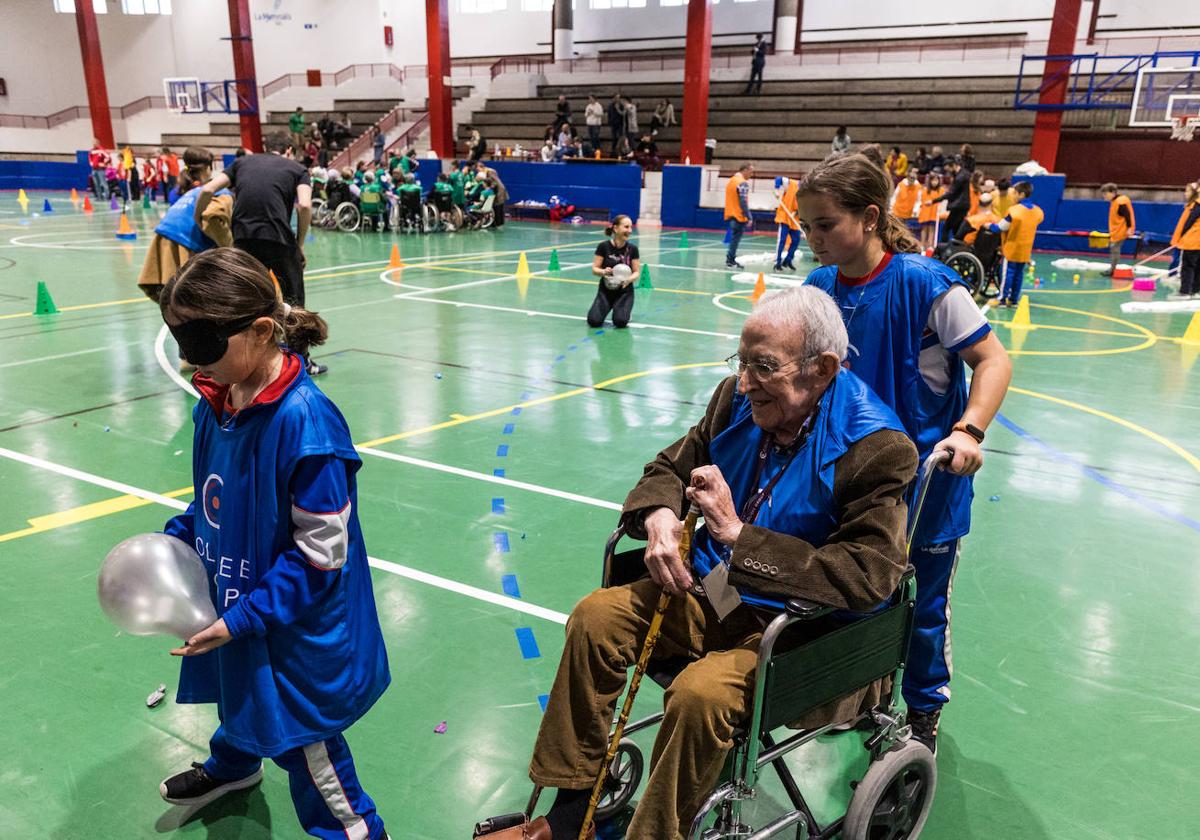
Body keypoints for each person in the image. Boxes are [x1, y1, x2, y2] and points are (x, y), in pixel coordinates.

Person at [514, 286, 919, 839]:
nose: (746, 381)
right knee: (596, 619)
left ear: (822, 369)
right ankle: (571, 805)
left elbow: (867, 575)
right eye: (742, 361)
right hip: (716, 595)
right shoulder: (735, 401)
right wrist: (658, 514)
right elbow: (669, 467)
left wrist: (737, 535)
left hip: (798, 637)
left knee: (700, 694)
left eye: (764, 366)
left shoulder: (876, 448)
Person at [155, 248, 391, 840]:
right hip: (240, 602)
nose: (189, 358)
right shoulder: (217, 400)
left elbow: (320, 556)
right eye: (178, 337)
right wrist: (176, 542)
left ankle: (356, 829)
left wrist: (242, 620)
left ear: (262, 332)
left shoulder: (306, 426)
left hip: (293, 628)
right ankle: (232, 767)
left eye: (203, 341)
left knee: (303, 743)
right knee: (237, 695)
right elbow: (213, 499)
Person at [798, 153, 1012, 756]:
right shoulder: (817, 289)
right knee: (851, 591)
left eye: (824, 225)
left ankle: (922, 713)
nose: (812, 239)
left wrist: (969, 432)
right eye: (806, 226)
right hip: (847, 481)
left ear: (869, 218)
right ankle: (859, 693)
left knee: (921, 606)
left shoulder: (926, 283)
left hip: (925, 485)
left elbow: (993, 361)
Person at [194, 135, 321, 374]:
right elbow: (304, 205)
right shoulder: (297, 168)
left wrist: (197, 217)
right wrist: (299, 244)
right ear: (289, 151)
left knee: (245, 301)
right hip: (280, 240)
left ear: (265, 149)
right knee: (294, 304)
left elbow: (208, 189)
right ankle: (301, 363)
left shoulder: (242, 163)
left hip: (243, 240)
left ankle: (241, 360)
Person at [137, 147, 232, 305]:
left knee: (176, 301)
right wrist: (229, 247)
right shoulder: (220, 193)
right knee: (196, 302)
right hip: (184, 242)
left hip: (162, 238)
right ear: (209, 168)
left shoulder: (181, 191)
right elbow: (212, 217)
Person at [988, 180, 1043, 307]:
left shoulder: (1014, 211)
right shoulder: (1038, 212)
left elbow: (1000, 227)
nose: (1013, 196)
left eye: (1015, 193)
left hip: (1012, 248)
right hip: (1025, 249)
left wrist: (990, 226)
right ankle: (1014, 300)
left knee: (1007, 273)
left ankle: (1001, 299)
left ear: (1022, 194)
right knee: (1019, 274)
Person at [586, 214, 640, 329]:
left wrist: (629, 280)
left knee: (620, 322)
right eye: (626, 227)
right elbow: (594, 269)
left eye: (631, 227)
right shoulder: (603, 247)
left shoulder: (633, 249)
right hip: (606, 290)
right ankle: (608, 306)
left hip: (624, 292)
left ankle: (624, 312)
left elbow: (636, 272)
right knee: (593, 321)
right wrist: (603, 271)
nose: (630, 230)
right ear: (615, 228)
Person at [1169, 180, 1200, 300]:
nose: (1185, 194)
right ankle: (1195, 291)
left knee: (1188, 266)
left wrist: (1180, 235)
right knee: (1197, 266)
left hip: (1192, 240)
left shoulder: (1197, 204)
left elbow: (1189, 221)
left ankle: (1185, 292)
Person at [1100, 182, 1136, 276]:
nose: (1104, 196)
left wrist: (1129, 228)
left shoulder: (1120, 202)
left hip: (1121, 230)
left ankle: (1112, 270)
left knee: (1115, 249)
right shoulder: (1115, 201)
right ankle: (1112, 268)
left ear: (1112, 192)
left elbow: (1127, 215)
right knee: (1114, 249)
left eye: (1106, 194)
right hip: (1116, 231)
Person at [725, 162, 754, 269]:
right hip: (739, 216)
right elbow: (743, 201)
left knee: (733, 239)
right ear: (745, 170)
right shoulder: (742, 183)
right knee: (735, 240)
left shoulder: (732, 181)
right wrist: (749, 216)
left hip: (731, 213)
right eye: (751, 172)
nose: (751, 175)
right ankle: (730, 260)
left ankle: (730, 259)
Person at [773, 175, 801, 271]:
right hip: (784, 217)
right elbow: (779, 179)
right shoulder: (792, 184)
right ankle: (777, 262)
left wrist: (796, 212)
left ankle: (788, 261)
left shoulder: (807, 194)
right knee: (782, 240)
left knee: (796, 240)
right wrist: (776, 189)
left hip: (794, 219)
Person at [941, 158, 971, 244]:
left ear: (953, 165)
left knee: (946, 228)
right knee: (956, 229)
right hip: (960, 206)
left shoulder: (961, 176)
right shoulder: (960, 175)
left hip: (959, 206)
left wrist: (934, 201)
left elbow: (951, 193)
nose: (948, 172)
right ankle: (956, 247)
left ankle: (944, 248)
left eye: (948, 169)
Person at [474, 161, 508, 228]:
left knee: (497, 207)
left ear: (481, 167)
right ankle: (498, 223)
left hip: (499, 190)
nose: (478, 171)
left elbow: (494, 182)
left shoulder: (489, 171)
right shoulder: (489, 170)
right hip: (498, 189)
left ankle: (497, 223)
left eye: (478, 169)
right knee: (498, 207)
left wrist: (488, 188)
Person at [917, 172, 944, 252]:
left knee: (932, 230)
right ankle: (922, 246)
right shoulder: (925, 190)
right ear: (930, 181)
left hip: (934, 213)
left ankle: (930, 246)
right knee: (924, 230)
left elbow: (942, 202)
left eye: (936, 180)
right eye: (933, 180)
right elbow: (920, 200)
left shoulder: (941, 190)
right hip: (925, 213)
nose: (935, 182)